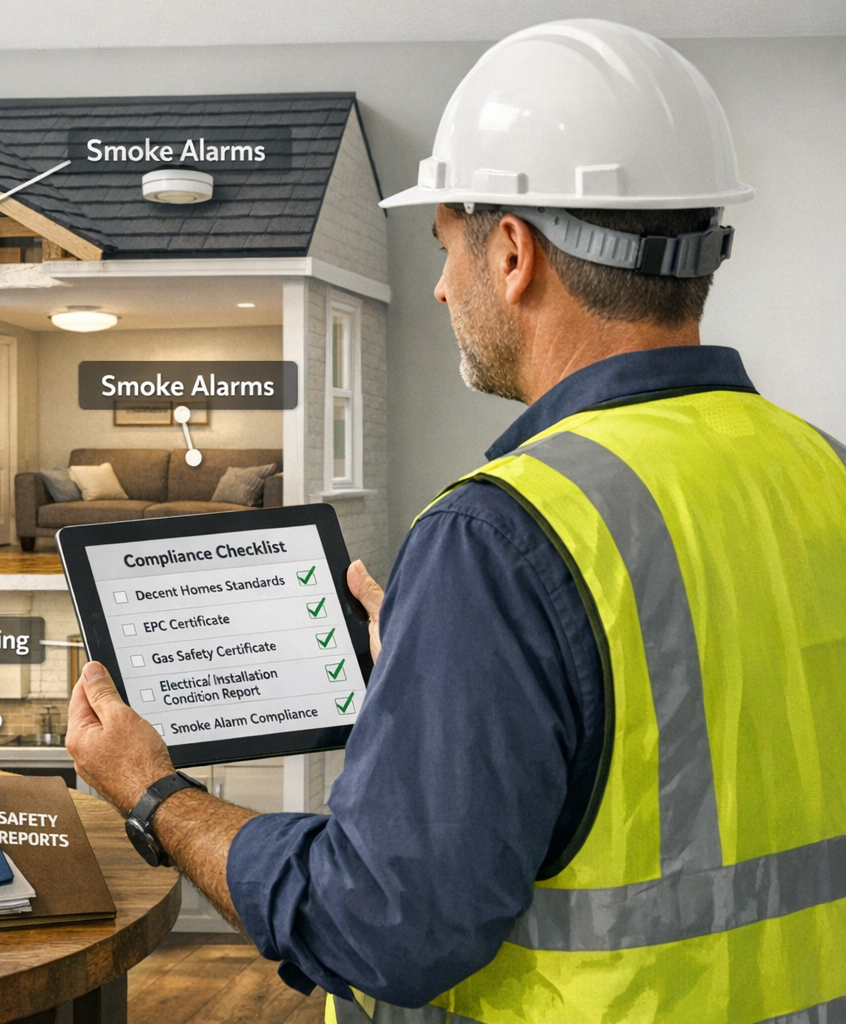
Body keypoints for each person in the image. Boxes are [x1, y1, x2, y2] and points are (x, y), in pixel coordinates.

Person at [65, 19, 846, 1024]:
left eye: (445, 245)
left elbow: (379, 922)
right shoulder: (819, 467)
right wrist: (465, 671)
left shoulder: (503, 536)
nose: (439, 285)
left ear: (512, 251)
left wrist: (152, 791)